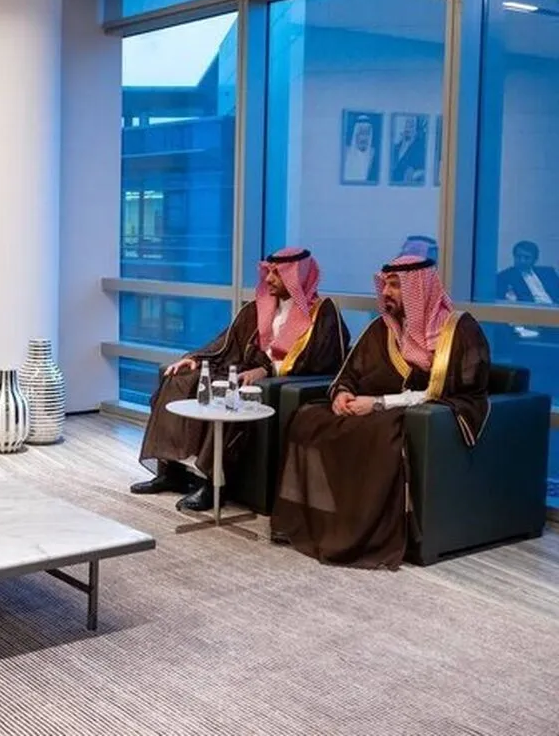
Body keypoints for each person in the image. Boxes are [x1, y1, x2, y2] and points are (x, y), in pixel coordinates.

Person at [272, 255, 490, 569]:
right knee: (308, 418)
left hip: (421, 413)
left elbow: (449, 392)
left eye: (396, 285)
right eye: (385, 284)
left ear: (419, 289)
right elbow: (350, 371)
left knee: (377, 433)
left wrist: (378, 403)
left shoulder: (458, 330)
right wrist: (343, 394)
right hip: (372, 407)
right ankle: (319, 521)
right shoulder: (381, 328)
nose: (386, 292)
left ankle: (364, 534)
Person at [133, 247, 350, 511]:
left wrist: (267, 371)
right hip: (244, 369)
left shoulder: (321, 312)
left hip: (275, 381)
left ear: (298, 276)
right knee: (180, 378)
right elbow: (228, 341)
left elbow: (323, 358)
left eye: (277, 274)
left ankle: (213, 484)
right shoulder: (259, 307)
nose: (268, 279)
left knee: (228, 391)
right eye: (268, 272)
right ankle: (171, 471)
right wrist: (197, 358)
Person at [496, 240, 559, 305]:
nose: (522, 261)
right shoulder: (504, 277)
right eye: (518, 257)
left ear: (535, 259)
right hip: (530, 309)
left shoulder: (548, 273)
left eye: (527, 258)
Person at [390, 115, 426, 185]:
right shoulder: (395, 147)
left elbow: (422, 170)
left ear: (416, 130)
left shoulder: (420, 149)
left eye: (411, 125)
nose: (407, 128)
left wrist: (413, 175)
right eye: (406, 124)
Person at [342, 116, 377, 183]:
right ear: (355, 134)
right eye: (361, 133)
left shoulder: (373, 154)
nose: (364, 137)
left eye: (367, 133)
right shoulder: (345, 151)